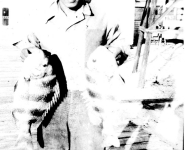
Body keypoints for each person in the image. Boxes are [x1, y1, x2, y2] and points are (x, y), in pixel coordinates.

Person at [14, 0, 129, 149]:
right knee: (51, 146)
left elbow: (122, 45)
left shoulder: (102, 16)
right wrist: (26, 50)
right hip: (50, 101)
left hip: (89, 100)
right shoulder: (40, 15)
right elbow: (25, 42)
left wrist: (118, 53)